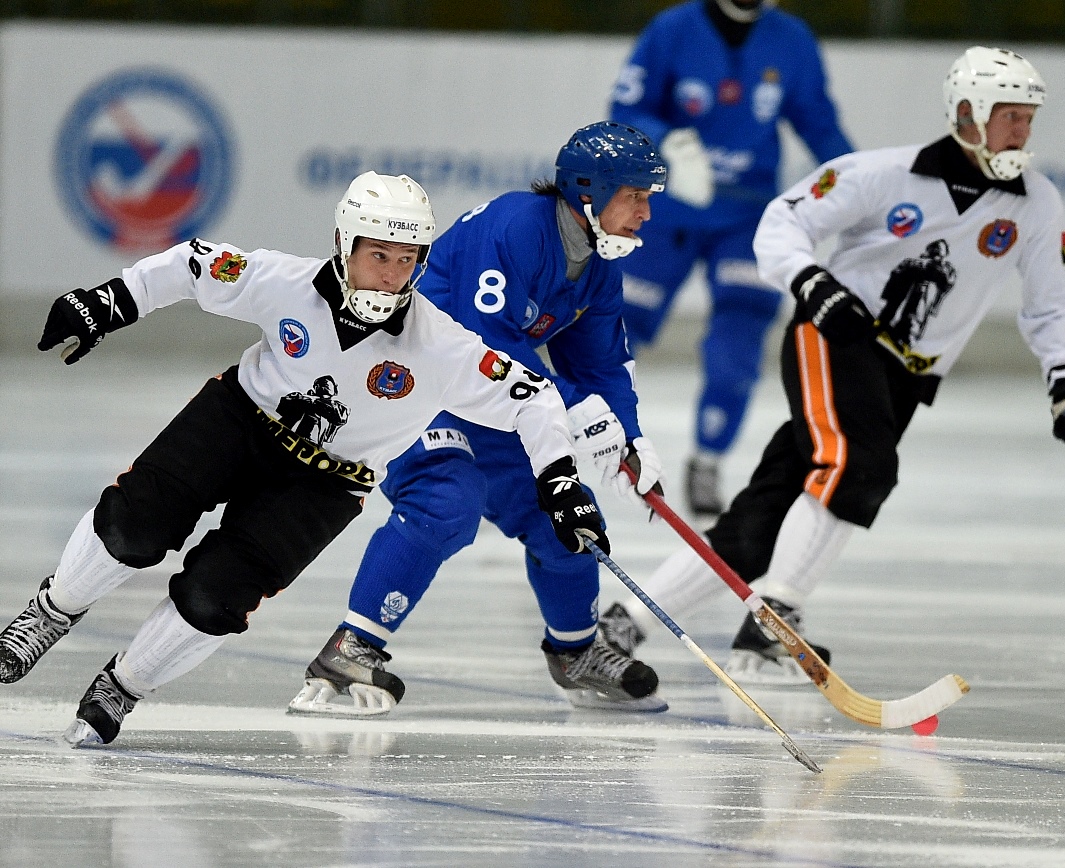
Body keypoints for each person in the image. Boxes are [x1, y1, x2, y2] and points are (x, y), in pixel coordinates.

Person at [0, 171, 612, 746]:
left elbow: (529, 396)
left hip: (325, 486)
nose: (392, 276)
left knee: (217, 597)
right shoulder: (287, 282)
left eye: (407, 261)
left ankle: (122, 686)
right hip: (238, 421)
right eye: (379, 256)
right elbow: (192, 264)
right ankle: (50, 613)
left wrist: (558, 478)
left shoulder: (440, 343)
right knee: (134, 525)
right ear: (344, 247)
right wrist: (109, 302)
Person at [599, 47, 1065, 685]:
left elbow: (1057, 304)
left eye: (1028, 119)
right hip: (836, 335)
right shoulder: (884, 174)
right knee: (858, 464)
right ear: (968, 114)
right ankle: (774, 618)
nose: (1022, 132)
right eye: (1010, 117)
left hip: (907, 376)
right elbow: (784, 220)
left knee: (770, 509)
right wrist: (812, 283)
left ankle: (624, 623)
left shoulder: (1036, 203)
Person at [286, 122, 671, 718]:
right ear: (590, 193)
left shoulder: (599, 267)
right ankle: (352, 647)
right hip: (413, 385)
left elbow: (601, 368)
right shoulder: (517, 227)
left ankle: (575, 653)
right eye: (636, 196)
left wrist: (630, 437)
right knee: (447, 499)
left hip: (494, 397)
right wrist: (573, 406)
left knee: (564, 515)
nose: (646, 212)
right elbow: (482, 338)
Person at [609, 0, 854, 516]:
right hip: (664, 208)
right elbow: (627, 108)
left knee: (739, 340)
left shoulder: (791, 39)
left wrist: (858, 185)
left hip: (747, 217)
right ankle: (571, 445)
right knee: (612, 330)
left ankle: (707, 459)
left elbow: (820, 125)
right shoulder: (672, 29)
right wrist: (667, 141)